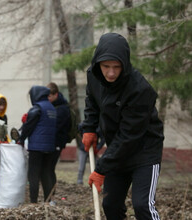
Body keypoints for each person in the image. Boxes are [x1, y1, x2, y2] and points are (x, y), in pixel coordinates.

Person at [82, 33, 164, 220]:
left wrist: (101, 168)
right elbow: (92, 102)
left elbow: (129, 136)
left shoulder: (140, 90)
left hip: (144, 152)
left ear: (124, 65)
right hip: (118, 152)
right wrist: (88, 127)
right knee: (111, 205)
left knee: (142, 205)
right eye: (106, 67)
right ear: (98, 64)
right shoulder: (93, 77)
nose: (111, 73)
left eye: (116, 67)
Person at [18, 85, 57, 203]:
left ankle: (33, 201)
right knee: (45, 173)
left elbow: (28, 126)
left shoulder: (37, 108)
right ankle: (48, 200)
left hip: (37, 147)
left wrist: (21, 139)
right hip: (50, 147)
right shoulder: (52, 108)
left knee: (33, 174)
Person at [46, 82, 71, 202]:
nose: (48, 99)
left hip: (56, 143)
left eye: (49, 96)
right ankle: (50, 196)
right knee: (48, 169)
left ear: (55, 94)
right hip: (51, 142)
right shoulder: (54, 106)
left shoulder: (62, 108)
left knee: (49, 169)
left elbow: (56, 127)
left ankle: (51, 197)